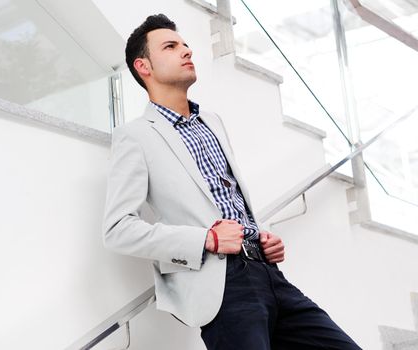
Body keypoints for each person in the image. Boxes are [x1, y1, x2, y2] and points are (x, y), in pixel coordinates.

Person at [103, 13, 361, 350]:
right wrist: (205, 239)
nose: (186, 51)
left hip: (269, 273)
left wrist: (260, 236)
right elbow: (118, 229)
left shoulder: (212, 122)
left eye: (185, 45)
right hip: (222, 286)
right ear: (143, 67)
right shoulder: (135, 136)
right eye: (170, 46)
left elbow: (227, 199)